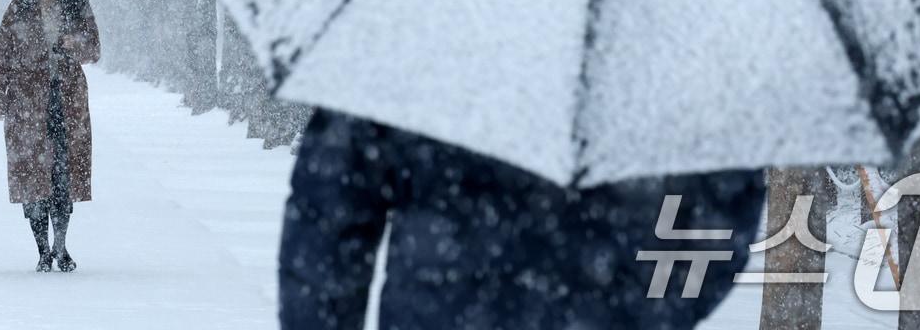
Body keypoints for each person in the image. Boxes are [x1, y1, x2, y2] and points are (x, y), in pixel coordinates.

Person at [279, 109, 766, 330]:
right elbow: (721, 207)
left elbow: (329, 218)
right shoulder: (665, 35)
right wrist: (658, 312)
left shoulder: (412, 21)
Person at [0, 0, 100, 272]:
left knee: (63, 176)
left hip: (68, 102)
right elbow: (3, 56)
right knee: (32, 178)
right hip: (26, 103)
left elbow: (94, 51)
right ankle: (42, 249)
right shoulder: (17, 9)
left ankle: (60, 246)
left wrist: (76, 44)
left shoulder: (79, 7)